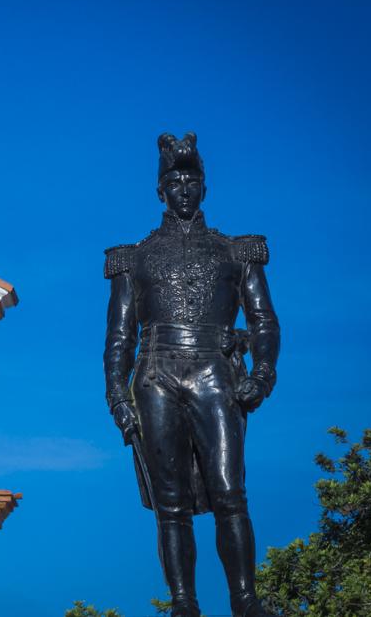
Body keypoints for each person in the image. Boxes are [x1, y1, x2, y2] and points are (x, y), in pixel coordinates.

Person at [103, 132, 280, 617]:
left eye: (192, 180)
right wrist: (118, 396)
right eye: (175, 181)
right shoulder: (132, 258)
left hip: (214, 373)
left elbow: (264, 320)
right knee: (171, 503)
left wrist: (261, 373)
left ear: (205, 188)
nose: (184, 188)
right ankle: (184, 603)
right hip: (156, 374)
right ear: (161, 190)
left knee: (230, 491)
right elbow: (119, 338)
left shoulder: (236, 251)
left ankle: (245, 600)